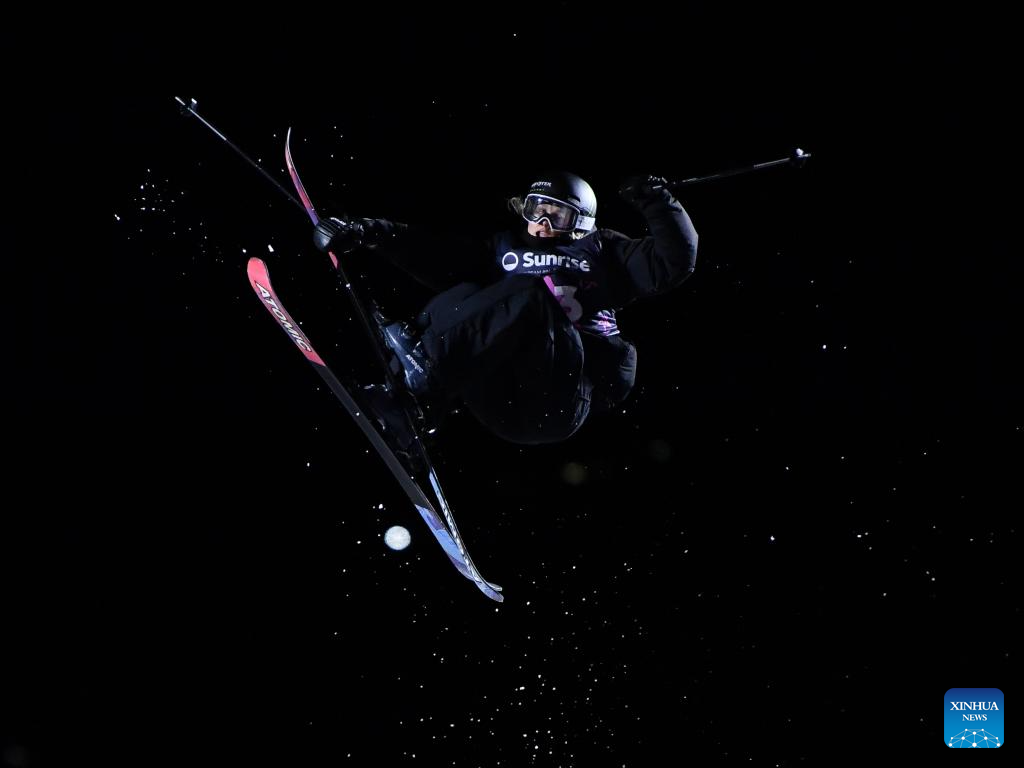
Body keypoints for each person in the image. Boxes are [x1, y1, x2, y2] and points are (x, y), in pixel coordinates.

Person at [312, 171, 698, 446]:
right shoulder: (502, 249)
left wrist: (658, 203)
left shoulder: (602, 251)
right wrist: (368, 232)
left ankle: (423, 374)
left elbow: (673, 262)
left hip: (557, 396)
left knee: (533, 292)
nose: (541, 223)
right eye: (535, 209)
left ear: (580, 221)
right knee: (464, 289)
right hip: (500, 394)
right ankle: (411, 406)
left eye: (557, 214)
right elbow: (433, 253)